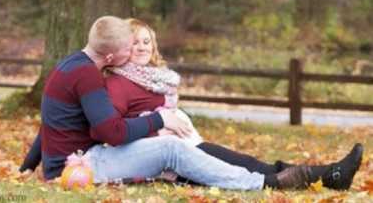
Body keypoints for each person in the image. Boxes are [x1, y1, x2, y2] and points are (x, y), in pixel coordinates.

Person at [22, 15, 331, 191]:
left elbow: (48, 122)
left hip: (71, 161)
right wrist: (161, 121)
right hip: (83, 164)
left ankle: (275, 175)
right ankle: (264, 182)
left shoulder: (70, 65)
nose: (137, 51)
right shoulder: (89, 77)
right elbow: (110, 133)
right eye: (131, 47)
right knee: (171, 149)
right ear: (113, 57)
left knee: (177, 148)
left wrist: (29, 165)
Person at [104, 18, 363, 190]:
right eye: (134, 42)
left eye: (146, 41)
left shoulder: (154, 79)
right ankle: (328, 175)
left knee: (249, 163)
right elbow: (112, 132)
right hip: (169, 157)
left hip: (187, 145)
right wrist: (158, 127)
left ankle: (330, 175)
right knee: (249, 168)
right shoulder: (119, 83)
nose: (141, 48)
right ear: (122, 47)